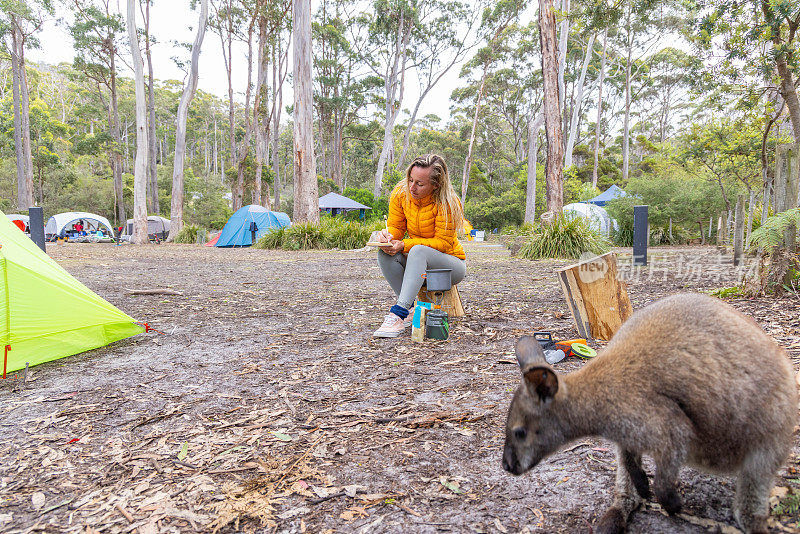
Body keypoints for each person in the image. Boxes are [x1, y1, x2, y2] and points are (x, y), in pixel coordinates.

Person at [373, 154, 466, 338]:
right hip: (418, 265)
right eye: (410, 180)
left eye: (419, 184)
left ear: (436, 185)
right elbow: (397, 228)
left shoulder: (448, 202)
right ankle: (409, 309)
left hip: (449, 267)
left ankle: (398, 313)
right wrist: (387, 237)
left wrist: (405, 244)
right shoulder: (401, 193)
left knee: (417, 250)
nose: (411, 187)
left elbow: (443, 243)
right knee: (385, 253)